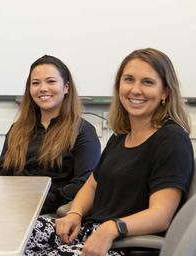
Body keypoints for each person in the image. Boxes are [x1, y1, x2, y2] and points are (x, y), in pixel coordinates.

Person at [24, 48, 194, 256]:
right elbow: (92, 185)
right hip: (91, 230)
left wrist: (113, 228)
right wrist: (75, 214)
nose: (135, 89)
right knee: (17, 235)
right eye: (129, 79)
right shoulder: (121, 136)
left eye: (147, 82)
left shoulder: (172, 139)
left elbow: (161, 215)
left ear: (165, 92)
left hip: (124, 243)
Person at [0, 55, 101, 214]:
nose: (43, 88)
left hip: (54, 214)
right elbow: (0, 176)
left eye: (51, 81)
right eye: (36, 83)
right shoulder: (17, 130)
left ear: (66, 87)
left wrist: (39, 201)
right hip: (14, 209)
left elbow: (84, 183)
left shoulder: (83, 131)